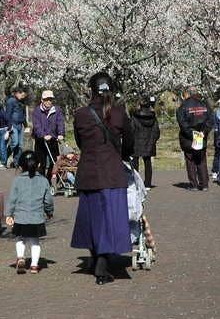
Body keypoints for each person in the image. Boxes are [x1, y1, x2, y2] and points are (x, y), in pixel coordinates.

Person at [71, 72, 134, 285]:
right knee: (110, 220)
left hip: (89, 173)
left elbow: (80, 142)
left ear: (91, 89)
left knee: (92, 220)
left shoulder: (81, 114)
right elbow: (129, 143)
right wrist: (121, 156)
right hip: (112, 173)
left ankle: (97, 257)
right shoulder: (118, 113)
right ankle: (102, 265)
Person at [5, 150, 54, 274]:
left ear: (20, 166)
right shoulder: (43, 181)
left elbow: (12, 199)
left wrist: (9, 214)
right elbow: (48, 200)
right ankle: (34, 265)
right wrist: (49, 212)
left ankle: (21, 258)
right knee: (35, 242)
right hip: (36, 217)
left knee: (20, 239)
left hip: (21, 217)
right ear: (38, 165)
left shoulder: (17, 180)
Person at [176, 86, 213, 191]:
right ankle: (204, 184)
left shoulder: (183, 106)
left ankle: (194, 184)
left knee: (190, 160)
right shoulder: (205, 104)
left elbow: (182, 123)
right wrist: (203, 132)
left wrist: (192, 133)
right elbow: (210, 120)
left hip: (188, 138)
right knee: (201, 160)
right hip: (201, 136)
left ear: (188, 94)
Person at [32, 90, 65, 183]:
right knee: (41, 163)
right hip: (40, 140)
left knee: (54, 162)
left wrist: (61, 133)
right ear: (42, 100)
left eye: (50, 99)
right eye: (46, 99)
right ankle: (40, 181)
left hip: (53, 139)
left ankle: (50, 179)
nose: (48, 101)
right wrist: (43, 135)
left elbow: (60, 122)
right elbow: (36, 125)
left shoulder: (56, 110)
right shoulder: (37, 111)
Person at [131, 96, 160, 189]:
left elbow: (131, 130)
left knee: (135, 163)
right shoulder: (153, 117)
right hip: (149, 143)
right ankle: (148, 183)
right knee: (148, 163)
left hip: (136, 143)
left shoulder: (135, 117)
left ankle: (136, 183)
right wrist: (153, 141)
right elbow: (156, 132)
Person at [6, 86, 28, 168]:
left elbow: (23, 114)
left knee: (20, 145)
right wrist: (9, 127)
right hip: (13, 125)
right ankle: (4, 157)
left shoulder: (22, 102)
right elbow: (8, 114)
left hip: (20, 125)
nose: (23, 96)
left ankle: (16, 162)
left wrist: (26, 125)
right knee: (14, 143)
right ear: (17, 93)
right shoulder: (11, 101)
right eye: (22, 94)